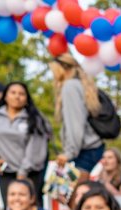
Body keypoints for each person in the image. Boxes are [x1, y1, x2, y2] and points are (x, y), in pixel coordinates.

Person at [0, 81, 53, 210]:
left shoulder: (35, 118)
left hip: (30, 172)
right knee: (11, 208)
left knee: (31, 208)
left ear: (26, 98)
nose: (17, 96)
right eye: (13, 93)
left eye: (21, 94)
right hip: (6, 172)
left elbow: (35, 148)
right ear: (5, 96)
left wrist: (23, 173)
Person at [48, 53, 104, 182]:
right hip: (90, 148)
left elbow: (75, 124)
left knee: (72, 197)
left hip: (83, 151)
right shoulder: (81, 85)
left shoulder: (70, 87)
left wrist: (69, 153)